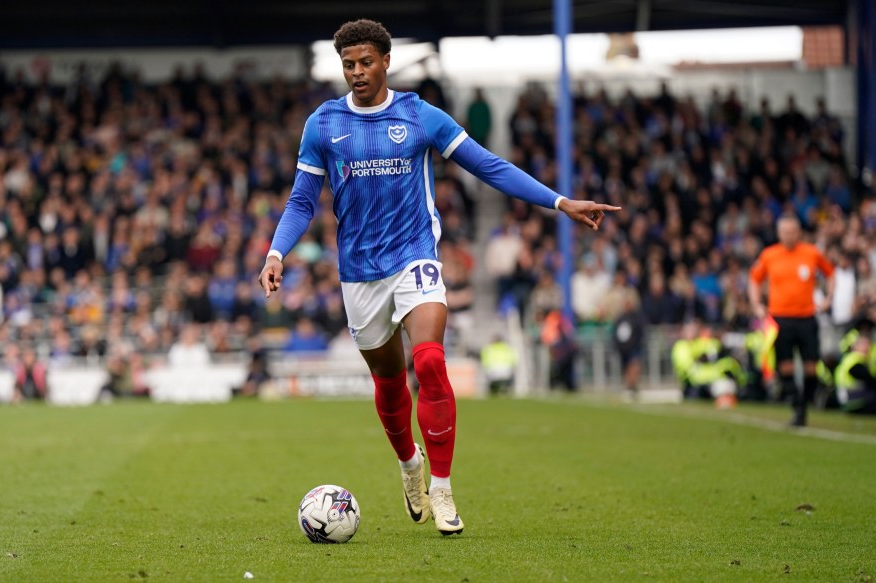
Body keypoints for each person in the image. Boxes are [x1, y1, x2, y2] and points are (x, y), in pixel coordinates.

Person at [258, 18, 619, 537]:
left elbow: (487, 165)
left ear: (385, 62)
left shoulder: (419, 116)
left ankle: (444, 488)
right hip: (359, 273)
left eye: (365, 62)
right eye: (348, 65)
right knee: (387, 379)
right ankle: (410, 465)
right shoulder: (323, 124)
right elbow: (300, 201)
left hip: (414, 256)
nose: (357, 72)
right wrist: (276, 253)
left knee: (429, 360)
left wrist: (559, 201)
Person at [749, 215, 835, 427]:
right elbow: (754, 278)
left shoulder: (811, 252)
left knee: (812, 368)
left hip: (806, 317)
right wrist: (756, 304)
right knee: (785, 366)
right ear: (779, 234)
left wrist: (827, 299)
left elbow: (831, 273)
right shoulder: (769, 255)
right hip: (780, 319)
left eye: (792, 231)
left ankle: (805, 402)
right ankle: (798, 407)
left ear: (799, 232)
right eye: (784, 232)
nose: (789, 235)